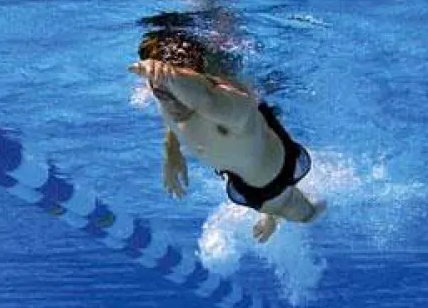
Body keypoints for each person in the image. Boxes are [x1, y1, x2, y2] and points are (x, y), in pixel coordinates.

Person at [129, 28, 324, 243]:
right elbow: (176, 107)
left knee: (304, 215)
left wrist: (167, 75)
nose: (168, 102)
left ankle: (285, 213)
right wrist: (171, 150)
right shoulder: (169, 93)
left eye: (171, 91)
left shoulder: (232, 107)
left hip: (272, 178)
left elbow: (206, 97)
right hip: (245, 159)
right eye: (160, 94)